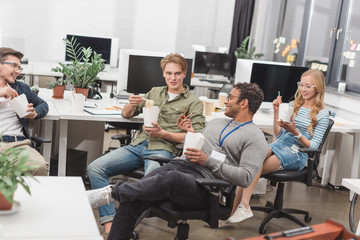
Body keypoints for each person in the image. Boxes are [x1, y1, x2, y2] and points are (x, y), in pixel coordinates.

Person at [87, 82, 269, 240]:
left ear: (244, 103)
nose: (226, 101)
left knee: (171, 178)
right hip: (179, 166)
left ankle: (111, 192)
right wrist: (190, 133)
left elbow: (245, 177)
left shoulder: (255, 137)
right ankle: (115, 200)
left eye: (230, 97)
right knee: (132, 199)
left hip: (204, 185)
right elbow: (199, 145)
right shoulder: (217, 122)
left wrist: (209, 162)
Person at [87, 53, 205, 234]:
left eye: (177, 73)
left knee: (150, 184)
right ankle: (110, 225)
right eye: (169, 73)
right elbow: (127, 115)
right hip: (139, 145)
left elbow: (194, 137)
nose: (173, 78)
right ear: (163, 74)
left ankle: (124, 226)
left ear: (184, 74)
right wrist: (131, 104)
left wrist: (163, 133)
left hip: (163, 150)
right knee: (95, 168)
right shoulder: (154, 92)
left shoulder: (194, 102)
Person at [227, 69, 330, 224]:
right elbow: (280, 134)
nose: (303, 89)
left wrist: (296, 133)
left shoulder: (322, 114)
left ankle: (244, 206)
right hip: (280, 144)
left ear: (318, 88)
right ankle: (233, 213)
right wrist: (276, 112)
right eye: (301, 85)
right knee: (251, 163)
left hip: (298, 153)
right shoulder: (294, 105)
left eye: (308, 86)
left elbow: (314, 145)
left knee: (254, 168)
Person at [0, 47, 49, 176]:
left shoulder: (21, 88)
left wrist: (35, 113)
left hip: (17, 145)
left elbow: (43, 104)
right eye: (14, 66)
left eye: (19, 67)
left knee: (40, 167)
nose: (17, 71)